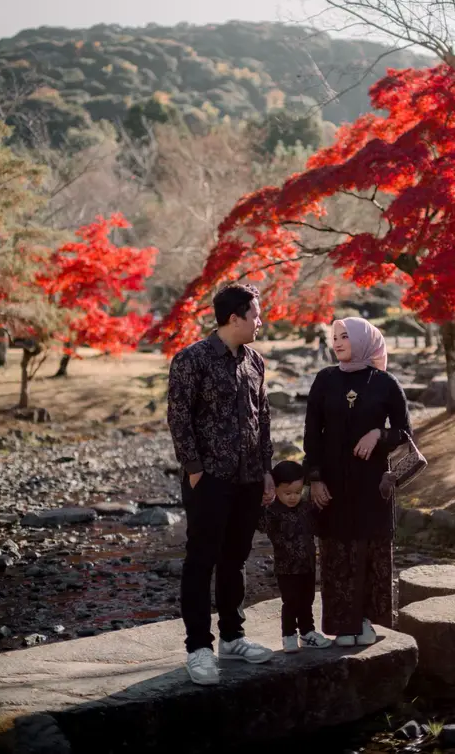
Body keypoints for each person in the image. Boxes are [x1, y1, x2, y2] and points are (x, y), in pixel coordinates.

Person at [167, 283, 276, 686]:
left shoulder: (255, 362)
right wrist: (195, 470)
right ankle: (198, 648)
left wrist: (265, 469)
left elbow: (262, 418)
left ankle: (233, 637)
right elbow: (179, 419)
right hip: (209, 480)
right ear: (235, 318)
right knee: (201, 561)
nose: (260, 322)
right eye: (256, 315)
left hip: (248, 479)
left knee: (236, 559)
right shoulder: (191, 360)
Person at [304, 317, 412, 647]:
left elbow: (405, 434)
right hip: (333, 484)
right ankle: (340, 625)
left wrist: (378, 433)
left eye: (345, 336)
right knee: (336, 553)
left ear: (364, 340)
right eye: (334, 336)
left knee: (369, 552)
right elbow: (311, 436)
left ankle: (366, 620)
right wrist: (315, 480)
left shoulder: (385, 383)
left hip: (372, 486)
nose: (337, 342)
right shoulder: (324, 380)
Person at [258, 460, 332, 653]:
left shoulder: (306, 507)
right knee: (290, 602)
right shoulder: (272, 512)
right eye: (287, 493)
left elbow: (320, 518)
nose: (293, 497)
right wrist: (262, 500)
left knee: (307, 600)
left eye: (297, 493)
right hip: (286, 568)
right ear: (276, 489)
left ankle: (308, 633)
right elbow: (259, 524)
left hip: (307, 564)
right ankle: (289, 635)